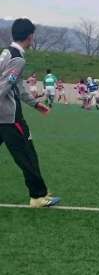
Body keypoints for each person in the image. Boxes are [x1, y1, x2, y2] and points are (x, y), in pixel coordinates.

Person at [0, 18, 60, 208]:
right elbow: (5, 86)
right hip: (10, 118)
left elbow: (18, 87)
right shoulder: (18, 59)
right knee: (27, 154)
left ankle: (39, 191)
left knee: (26, 153)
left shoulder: (6, 53)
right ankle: (38, 196)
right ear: (30, 36)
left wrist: (35, 104)